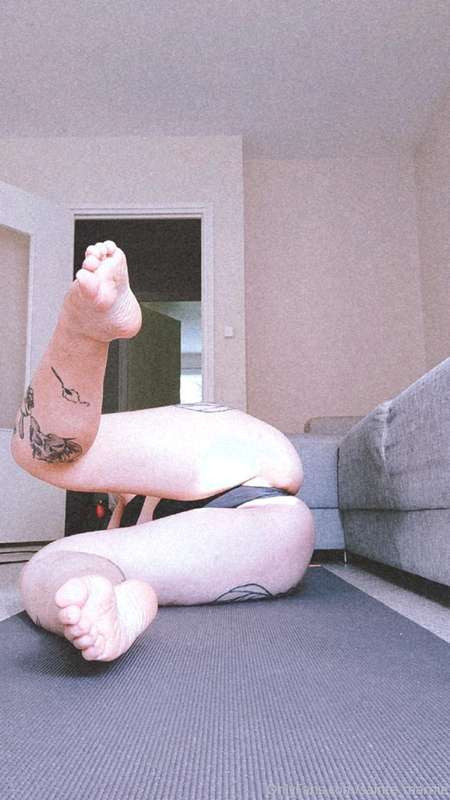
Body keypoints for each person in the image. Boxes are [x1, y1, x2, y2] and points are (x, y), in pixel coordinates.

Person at [12, 241, 315, 663]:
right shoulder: (117, 545)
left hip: (237, 462)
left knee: (40, 477)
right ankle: (114, 605)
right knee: (50, 554)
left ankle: (85, 330)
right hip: (267, 526)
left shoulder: (109, 529)